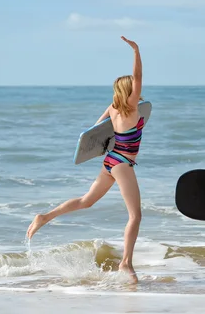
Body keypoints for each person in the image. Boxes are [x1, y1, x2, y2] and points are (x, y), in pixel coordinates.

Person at [26, 36, 144, 283]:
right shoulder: (132, 106)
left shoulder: (113, 108)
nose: (137, 88)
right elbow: (139, 78)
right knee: (135, 215)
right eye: (133, 87)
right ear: (129, 90)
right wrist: (136, 51)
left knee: (85, 200)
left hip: (110, 162)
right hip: (123, 163)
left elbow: (95, 131)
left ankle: (45, 217)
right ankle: (126, 263)